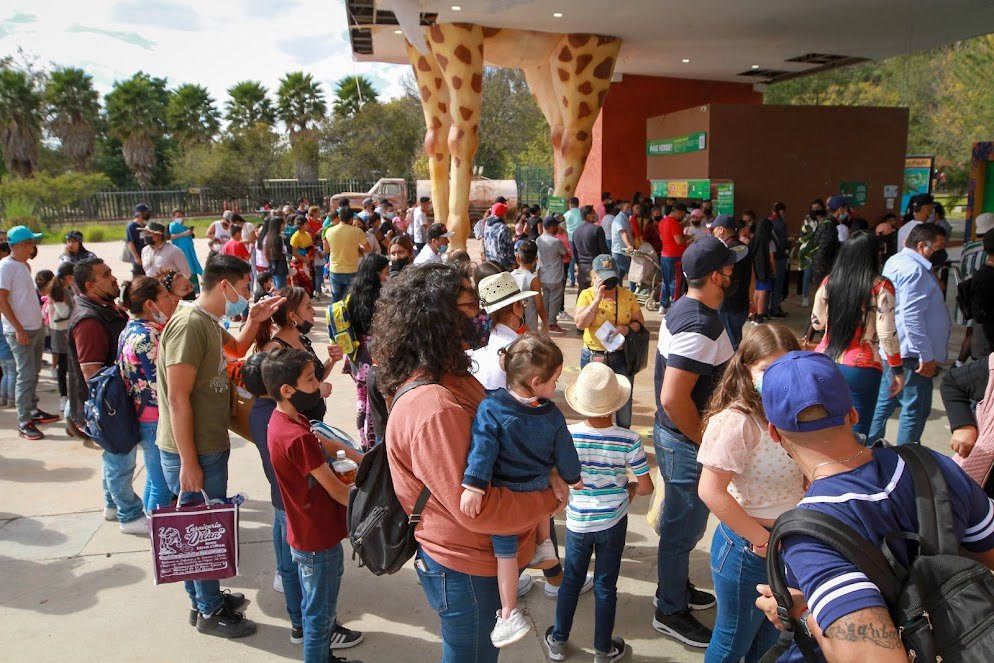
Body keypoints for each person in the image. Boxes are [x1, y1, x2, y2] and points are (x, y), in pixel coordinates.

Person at [369, 263, 563, 663]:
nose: (480, 312)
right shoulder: (434, 405)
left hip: (478, 557)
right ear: (436, 316)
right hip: (465, 569)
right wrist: (548, 498)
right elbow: (478, 508)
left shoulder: (450, 374)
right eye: (470, 303)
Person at [754, 350, 994, 663]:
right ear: (852, 414)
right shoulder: (932, 465)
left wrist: (799, 612)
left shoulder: (810, 534)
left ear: (774, 433)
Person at [156, 254, 283, 637]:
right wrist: (189, 462)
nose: (246, 295)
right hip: (192, 449)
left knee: (204, 529)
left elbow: (238, 348)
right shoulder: (190, 325)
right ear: (225, 286)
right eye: (244, 288)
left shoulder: (209, 321)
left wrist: (255, 318)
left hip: (209, 443)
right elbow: (178, 398)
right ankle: (209, 611)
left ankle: (204, 601)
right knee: (202, 531)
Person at [652, 236, 747, 648]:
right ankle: (669, 610)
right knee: (681, 529)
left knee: (684, 528)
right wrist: (704, 441)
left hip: (682, 440)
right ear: (715, 275)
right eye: (729, 267)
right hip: (685, 444)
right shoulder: (699, 324)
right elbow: (673, 398)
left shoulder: (693, 309)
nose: (733, 273)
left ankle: (677, 588)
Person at [460, 333, 582, 647]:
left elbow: (482, 449)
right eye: (554, 381)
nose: (556, 387)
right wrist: (572, 477)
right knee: (545, 506)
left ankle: (508, 613)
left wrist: (474, 485)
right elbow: (565, 451)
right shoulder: (552, 414)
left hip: (507, 492)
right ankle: (544, 547)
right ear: (537, 381)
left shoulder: (491, 408)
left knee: (506, 558)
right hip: (538, 486)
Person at [696, 324, 804, 663]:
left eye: (785, 368)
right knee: (732, 644)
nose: (776, 378)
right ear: (746, 369)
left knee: (770, 639)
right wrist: (762, 540)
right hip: (748, 550)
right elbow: (710, 490)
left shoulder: (789, 409)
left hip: (783, 543)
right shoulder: (737, 421)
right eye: (766, 370)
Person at [546, 362, 653, 663]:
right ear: (615, 404)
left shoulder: (566, 435)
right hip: (613, 522)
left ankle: (557, 641)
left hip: (578, 522)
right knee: (606, 586)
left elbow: (556, 474)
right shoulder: (629, 440)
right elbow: (645, 488)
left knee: (571, 581)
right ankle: (602, 650)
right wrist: (628, 489)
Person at [262, 348, 364, 663]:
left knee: (316, 608)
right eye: (310, 380)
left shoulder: (285, 420)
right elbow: (335, 490)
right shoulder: (296, 437)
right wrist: (370, 506)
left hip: (308, 534)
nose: (317, 385)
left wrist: (365, 460)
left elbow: (329, 446)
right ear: (286, 390)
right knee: (320, 616)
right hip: (317, 540)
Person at [66, 258, 140, 530]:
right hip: (108, 404)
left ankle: (112, 504)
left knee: (114, 457)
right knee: (121, 459)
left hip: (112, 402)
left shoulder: (106, 308)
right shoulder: (89, 320)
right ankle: (129, 514)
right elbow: (92, 374)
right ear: (90, 285)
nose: (113, 278)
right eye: (106, 275)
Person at [810, 230, 904, 439]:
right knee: (856, 436)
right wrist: (897, 369)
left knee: (824, 431)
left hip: (824, 361)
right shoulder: (881, 286)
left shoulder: (829, 281)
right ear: (873, 255)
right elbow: (887, 332)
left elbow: (817, 322)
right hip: (862, 368)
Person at [867, 223, 951, 445]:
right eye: (939, 247)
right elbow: (911, 317)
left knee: (886, 401)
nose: (942, 252)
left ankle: (866, 448)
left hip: (895, 348)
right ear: (922, 246)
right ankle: (906, 459)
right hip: (911, 354)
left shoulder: (896, 261)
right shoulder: (915, 271)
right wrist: (926, 355)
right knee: (914, 409)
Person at [117, 276, 177, 515]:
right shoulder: (149, 337)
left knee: (154, 479)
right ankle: (159, 537)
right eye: (164, 296)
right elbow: (160, 383)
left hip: (144, 417)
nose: (170, 300)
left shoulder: (130, 330)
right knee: (164, 486)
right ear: (150, 304)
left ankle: (154, 528)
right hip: (155, 419)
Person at [0, 226, 59, 439]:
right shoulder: (5, 267)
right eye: (32, 243)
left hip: (34, 328)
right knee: (25, 375)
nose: (34, 247)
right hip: (21, 331)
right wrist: (18, 329)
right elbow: (2, 300)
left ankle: (33, 410)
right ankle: (24, 420)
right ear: (23, 244)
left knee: (32, 373)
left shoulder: (24, 266)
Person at [574, 254, 646, 429]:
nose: (609, 282)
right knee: (594, 405)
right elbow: (580, 323)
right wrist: (597, 300)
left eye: (612, 276)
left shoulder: (627, 296)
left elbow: (640, 323)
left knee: (623, 402)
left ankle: (623, 438)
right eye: (604, 277)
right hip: (594, 356)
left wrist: (626, 329)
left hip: (622, 356)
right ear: (594, 276)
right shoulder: (587, 295)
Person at [257, 286, 341, 423]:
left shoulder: (301, 340)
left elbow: (312, 377)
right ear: (292, 316)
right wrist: (317, 391)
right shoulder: (275, 349)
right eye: (308, 307)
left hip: (313, 424)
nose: (314, 311)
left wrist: (331, 360)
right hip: (296, 429)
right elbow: (275, 396)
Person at [344, 254, 390, 450]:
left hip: (356, 354)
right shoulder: (381, 298)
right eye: (386, 273)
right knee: (375, 403)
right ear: (377, 274)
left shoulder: (351, 296)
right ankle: (375, 444)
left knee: (362, 400)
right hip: (374, 354)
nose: (387, 277)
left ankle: (364, 441)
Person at [710, 215, 751, 350]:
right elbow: (753, 275)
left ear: (721, 230)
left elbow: (724, 279)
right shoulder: (745, 248)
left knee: (731, 345)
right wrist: (751, 299)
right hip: (742, 303)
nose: (713, 233)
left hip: (729, 305)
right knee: (734, 339)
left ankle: (734, 369)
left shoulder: (726, 251)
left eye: (714, 230)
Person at [47, 263, 74, 414]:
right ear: (67, 277)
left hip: (66, 329)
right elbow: (64, 312)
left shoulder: (67, 288)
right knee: (63, 365)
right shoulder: (57, 290)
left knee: (68, 364)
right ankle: (63, 396)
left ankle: (67, 395)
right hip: (60, 331)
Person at [324, 208, 366, 302]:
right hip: (352, 270)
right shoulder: (357, 231)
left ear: (339, 217)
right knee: (350, 299)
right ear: (351, 219)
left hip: (335, 269)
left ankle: (336, 316)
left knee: (336, 299)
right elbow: (368, 248)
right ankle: (349, 316)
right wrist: (357, 248)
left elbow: (326, 249)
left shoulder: (329, 231)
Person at [536, 216, 569, 333]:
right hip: (555, 277)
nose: (557, 228)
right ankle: (552, 324)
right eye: (556, 226)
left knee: (545, 298)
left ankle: (545, 321)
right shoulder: (556, 241)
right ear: (551, 227)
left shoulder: (538, 240)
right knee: (555, 301)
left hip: (543, 276)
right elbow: (566, 255)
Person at [510, 240, 549, 333]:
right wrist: (545, 321)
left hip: (513, 325)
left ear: (517, 258)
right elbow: (539, 306)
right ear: (536, 259)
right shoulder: (533, 279)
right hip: (530, 327)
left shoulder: (510, 276)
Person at [809, 197, 845, 298]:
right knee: (824, 299)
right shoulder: (829, 226)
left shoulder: (827, 223)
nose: (846, 213)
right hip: (823, 270)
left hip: (820, 269)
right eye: (845, 209)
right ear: (840, 209)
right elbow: (823, 249)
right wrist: (824, 270)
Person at [571, 206, 610, 295]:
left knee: (582, 294)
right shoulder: (597, 229)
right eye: (593, 213)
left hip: (582, 267)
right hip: (596, 267)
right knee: (597, 294)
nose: (595, 215)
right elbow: (604, 250)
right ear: (588, 215)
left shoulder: (576, 231)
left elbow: (574, 252)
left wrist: (579, 264)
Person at [659, 203, 690, 309]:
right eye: (684, 214)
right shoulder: (674, 223)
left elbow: (663, 238)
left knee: (665, 280)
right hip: (675, 257)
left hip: (664, 255)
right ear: (679, 212)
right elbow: (679, 240)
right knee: (676, 281)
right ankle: (675, 305)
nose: (683, 217)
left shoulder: (662, 222)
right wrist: (688, 238)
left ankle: (663, 304)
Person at [749, 214, 777, 324]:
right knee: (763, 294)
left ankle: (754, 315)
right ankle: (760, 317)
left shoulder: (754, 239)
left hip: (754, 270)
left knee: (756, 292)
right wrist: (774, 270)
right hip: (764, 271)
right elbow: (772, 259)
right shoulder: (769, 241)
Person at [169, 210, 203, 292]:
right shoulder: (173, 226)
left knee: (192, 272)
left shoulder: (185, 228)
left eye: (181, 216)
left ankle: (195, 291)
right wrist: (183, 234)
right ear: (173, 217)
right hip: (182, 255)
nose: (179, 218)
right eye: (177, 216)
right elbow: (171, 236)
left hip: (190, 254)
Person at [768, 202, 789, 318]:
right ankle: (775, 309)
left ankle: (765, 309)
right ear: (782, 211)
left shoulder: (768, 222)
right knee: (778, 284)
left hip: (768, 257)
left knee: (768, 285)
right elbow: (784, 242)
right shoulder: (781, 224)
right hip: (779, 257)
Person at [483, 202, 515, 271]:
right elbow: (509, 248)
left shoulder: (487, 226)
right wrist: (513, 263)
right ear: (502, 214)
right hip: (502, 265)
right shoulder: (503, 228)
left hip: (490, 264)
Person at [264, 216, 290, 290]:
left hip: (273, 265)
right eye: (283, 224)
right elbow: (284, 251)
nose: (284, 226)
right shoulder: (278, 238)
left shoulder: (270, 237)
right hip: (280, 265)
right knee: (281, 287)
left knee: (277, 285)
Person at [126, 203, 151, 276]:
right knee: (138, 277)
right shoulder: (132, 226)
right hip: (138, 255)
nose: (148, 214)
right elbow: (130, 243)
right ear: (140, 213)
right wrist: (136, 257)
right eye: (146, 212)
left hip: (146, 255)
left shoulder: (144, 225)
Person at [563, 197, 583, 286]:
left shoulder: (566, 214)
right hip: (580, 238)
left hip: (570, 238)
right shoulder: (582, 213)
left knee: (571, 260)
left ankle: (572, 280)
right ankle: (582, 277)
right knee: (581, 258)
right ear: (578, 203)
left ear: (570, 204)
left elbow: (563, 227)